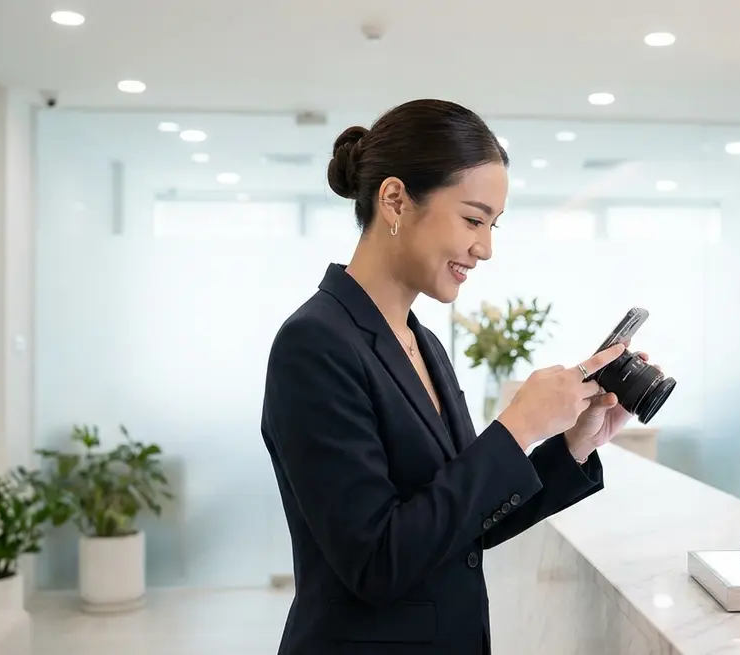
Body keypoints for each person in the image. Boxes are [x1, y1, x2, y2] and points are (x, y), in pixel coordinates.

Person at [260, 99, 658, 655]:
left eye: (493, 225)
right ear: (394, 198)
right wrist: (517, 427)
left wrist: (570, 445)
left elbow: (465, 523)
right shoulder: (315, 344)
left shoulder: (422, 343)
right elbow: (377, 562)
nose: (486, 248)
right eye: (473, 219)